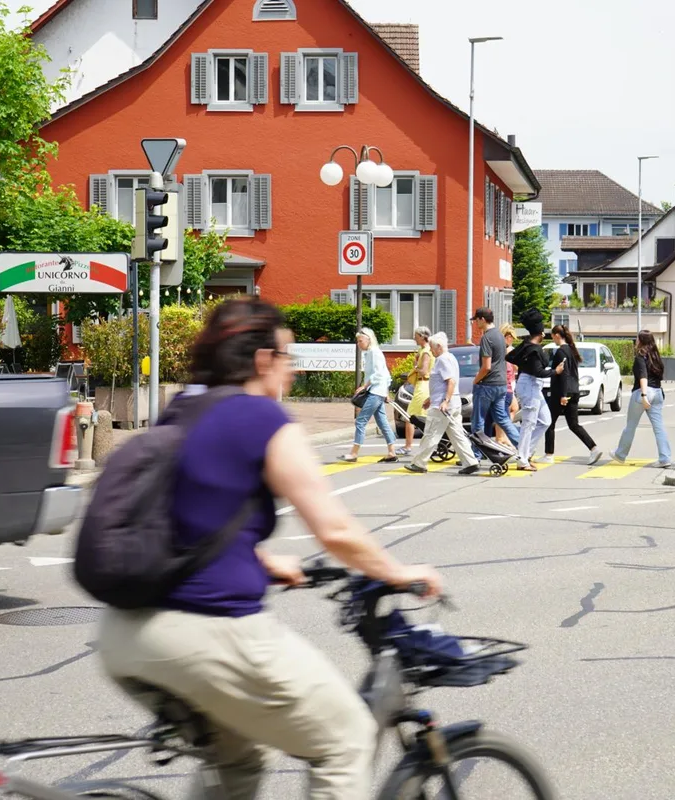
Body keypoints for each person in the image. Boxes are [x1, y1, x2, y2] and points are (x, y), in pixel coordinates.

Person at [97, 298, 443, 800]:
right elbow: (335, 529)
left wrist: (259, 561)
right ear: (262, 361)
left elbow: (187, 520)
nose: (293, 370)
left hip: (125, 637)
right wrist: (397, 571)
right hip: (205, 635)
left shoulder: (184, 410)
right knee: (346, 739)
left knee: (240, 758)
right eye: (287, 357)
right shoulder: (260, 418)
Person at [404, 333, 481, 475]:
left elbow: (450, 381)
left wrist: (444, 400)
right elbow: (442, 383)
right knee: (457, 434)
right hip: (451, 403)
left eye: (433, 348)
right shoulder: (451, 358)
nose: (431, 351)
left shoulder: (442, 360)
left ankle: (419, 463)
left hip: (443, 405)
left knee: (431, 433)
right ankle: (471, 462)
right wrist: (431, 398)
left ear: (439, 347)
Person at [505, 309, 564, 471]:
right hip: (530, 384)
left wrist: (523, 365)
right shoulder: (534, 349)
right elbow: (539, 371)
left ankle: (526, 452)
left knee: (545, 420)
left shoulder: (526, 345)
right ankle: (522, 459)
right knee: (529, 424)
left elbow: (510, 357)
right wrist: (556, 371)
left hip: (529, 383)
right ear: (541, 334)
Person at [540, 324, 602, 466]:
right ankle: (594, 448)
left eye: (552, 335)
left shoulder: (561, 352)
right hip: (574, 391)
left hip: (562, 393)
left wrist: (562, 395)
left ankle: (549, 454)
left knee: (549, 423)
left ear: (556, 335)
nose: (552, 338)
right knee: (574, 424)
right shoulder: (571, 350)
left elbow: (564, 374)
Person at [611, 330, 672, 468]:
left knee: (631, 426)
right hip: (657, 393)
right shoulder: (656, 356)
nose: (636, 341)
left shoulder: (640, 356)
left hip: (643, 392)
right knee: (659, 427)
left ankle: (620, 454)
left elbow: (643, 376)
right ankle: (665, 458)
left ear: (641, 341)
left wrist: (644, 395)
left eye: (637, 339)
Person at [340, 327, 398, 464]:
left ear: (368, 339)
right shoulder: (373, 353)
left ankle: (354, 453)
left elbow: (378, 374)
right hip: (378, 391)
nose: (359, 344)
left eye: (360, 341)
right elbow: (386, 374)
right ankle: (392, 452)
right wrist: (386, 391)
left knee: (360, 421)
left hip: (375, 392)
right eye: (358, 341)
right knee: (382, 422)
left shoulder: (374, 353)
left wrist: (364, 387)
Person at [469, 307, 519, 458]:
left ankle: (476, 456)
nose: (475, 323)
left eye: (476, 320)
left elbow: (487, 366)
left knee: (478, 421)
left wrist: (476, 380)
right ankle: (523, 446)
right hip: (501, 384)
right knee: (502, 419)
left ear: (482, 319)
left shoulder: (487, 337)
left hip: (487, 384)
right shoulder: (499, 335)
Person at [397, 327, 434, 457]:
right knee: (427, 417)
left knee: (410, 416)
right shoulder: (425, 350)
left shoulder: (426, 352)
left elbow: (423, 371)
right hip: (425, 384)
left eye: (416, 336)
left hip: (423, 384)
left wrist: (415, 367)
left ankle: (408, 446)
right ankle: (432, 444)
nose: (414, 338)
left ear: (422, 337)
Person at [494, 323, 520, 447]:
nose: (512, 340)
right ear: (507, 336)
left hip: (509, 383)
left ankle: (502, 436)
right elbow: (515, 366)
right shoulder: (506, 349)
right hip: (505, 384)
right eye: (511, 337)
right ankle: (501, 437)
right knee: (503, 413)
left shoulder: (504, 348)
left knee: (511, 409)